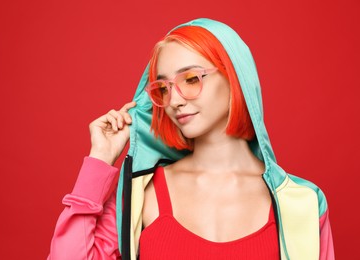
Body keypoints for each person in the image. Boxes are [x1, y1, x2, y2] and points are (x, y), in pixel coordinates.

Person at [48, 18, 334, 260]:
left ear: (235, 77)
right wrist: (100, 160)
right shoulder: (140, 191)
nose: (174, 100)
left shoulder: (302, 202)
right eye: (163, 88)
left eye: (191, 79)